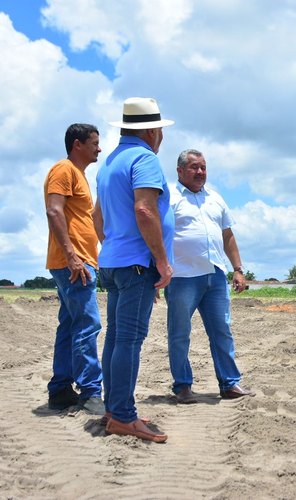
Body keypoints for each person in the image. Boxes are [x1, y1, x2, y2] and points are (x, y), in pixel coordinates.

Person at [93, 97, 174, 443]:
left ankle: (114, 407)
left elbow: (97, 217)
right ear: (152, 130)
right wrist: (160, 260)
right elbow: (144, 210)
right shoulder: (145, 159)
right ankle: (123, 416)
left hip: (112, 262)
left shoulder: (109, 162)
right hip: (137, 265)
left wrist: (113, 246)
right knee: (128, 339)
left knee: (115, 337)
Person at [165, 149, 255, 404]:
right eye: (194, 167)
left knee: (221, 331)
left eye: (203, 167)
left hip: (215, 276)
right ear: (180, 171)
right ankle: (182, 386)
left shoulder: (215, 198)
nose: (200, 172)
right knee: (179, 332)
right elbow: (157, 235)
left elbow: (227, 236)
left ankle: (229, 384)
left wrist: (237, 269)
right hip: (182, 276)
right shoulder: (168, 198)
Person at [44, 123, 105, 415]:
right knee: (88, 325)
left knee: (70, 325)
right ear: (77, 144)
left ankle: (60, 390)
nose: (99, 148)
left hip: (80, 260)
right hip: (74, 263)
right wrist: (72, 256)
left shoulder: (78, 175)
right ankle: (91, 391)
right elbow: (54, 210)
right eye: (94, 143)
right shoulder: (63, 169)